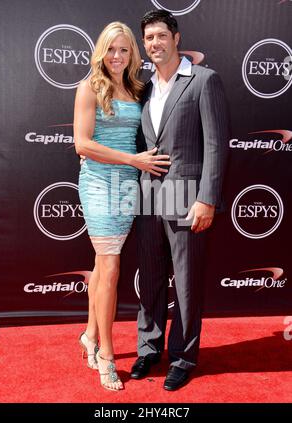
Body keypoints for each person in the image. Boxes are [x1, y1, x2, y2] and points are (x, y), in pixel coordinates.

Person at [130, 10, 230, 391]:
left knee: (186, 284)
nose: (154, 44)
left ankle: (184, 357)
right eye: (148, 39)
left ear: (175, 36)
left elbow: (217, 145)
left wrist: (207, 199)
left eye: (160, 36)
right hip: (147, 198)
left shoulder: (205, 80)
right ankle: (148, 348)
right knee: (151, 279)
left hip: (188, 199)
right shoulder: (144, 87)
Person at [73, 21, 171, 391]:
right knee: (111, 266)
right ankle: (106, 356)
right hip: (99, 185)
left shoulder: (136, 89)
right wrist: (133, 161)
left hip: (128, 186)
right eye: (111, 49)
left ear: (132, 55)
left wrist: (136, 166)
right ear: (101, 51)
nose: (117, 56)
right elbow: (82, 144)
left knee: (102, 266)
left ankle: (89, 335)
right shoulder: (89, 88)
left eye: (124, 50)